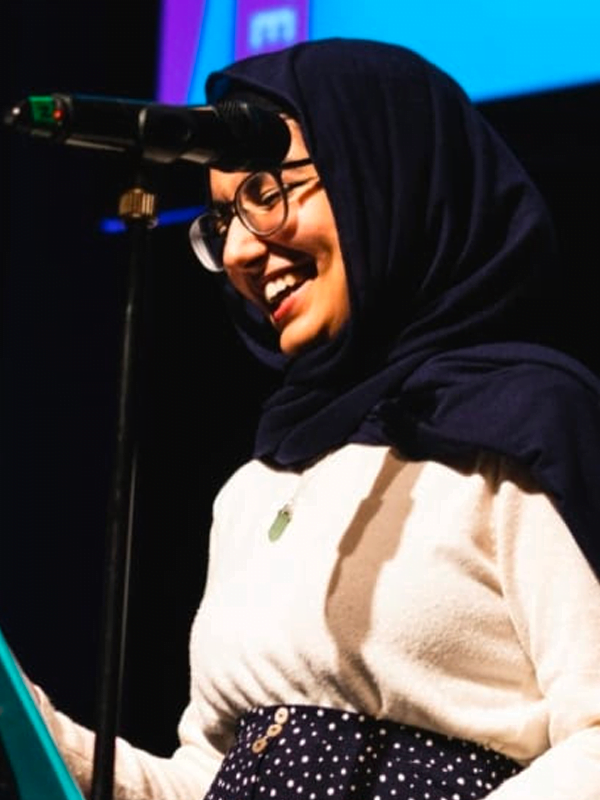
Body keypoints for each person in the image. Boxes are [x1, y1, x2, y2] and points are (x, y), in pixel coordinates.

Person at [33, 38, 600, 800]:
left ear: (387, 172)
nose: (239, 250)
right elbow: (209, 779)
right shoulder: (254, 490)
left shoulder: (523, 428)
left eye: (265, 194)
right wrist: (35, 731)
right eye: (221, 218)